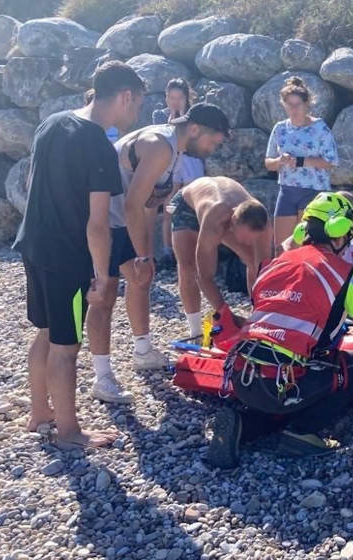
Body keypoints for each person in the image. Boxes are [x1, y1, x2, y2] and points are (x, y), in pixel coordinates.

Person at [12, 61, 145, 448]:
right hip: (68, 257)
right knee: (67, 347)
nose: (136, 113)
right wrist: (102, 275)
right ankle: (69, 432)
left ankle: (40, 413)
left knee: (46, 330)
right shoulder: (98, 144)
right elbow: (98, 223)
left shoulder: (52, 123)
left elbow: (34, 184)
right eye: (136, 104)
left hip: (33, 243)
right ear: (125, 96)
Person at [207, 192, 353, 467]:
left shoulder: (273, 264)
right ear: (340, 232)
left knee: (277, 404)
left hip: (242, 376)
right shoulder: (345, 273)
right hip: (285, 380)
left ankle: (242, 423)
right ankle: (303, 432)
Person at [85, 103, 230, 403]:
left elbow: (150, 204)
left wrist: (145, 256)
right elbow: (132, 204)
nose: (212, 149)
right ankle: (102, 377)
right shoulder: (159, 145)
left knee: (141, 281)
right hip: (103, 221)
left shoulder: (175, 151)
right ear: (194, 129)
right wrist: (142, 255)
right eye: (212, 141)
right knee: (105, 294)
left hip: (124, 221)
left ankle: (143, 350)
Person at [168, 176, 271, 338]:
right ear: (234, 222)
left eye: (253, 238)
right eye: (245, 237)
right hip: (187, 206)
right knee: (188, 267)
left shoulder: (263, 223)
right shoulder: (215, 221)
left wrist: (261, 316)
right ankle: (195, 330)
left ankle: (256, 315)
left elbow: (263, 271)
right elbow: (204, 277)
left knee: (254, 262)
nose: (248, 242)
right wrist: (226, 313)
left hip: (227, 208)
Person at [264, 77, 338, 256]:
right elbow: (268, 163)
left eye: (297, 104)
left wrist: (301, 161)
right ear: (284, 105)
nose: (294, 109)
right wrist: (280, 161)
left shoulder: (320, 128)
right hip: (287, 191)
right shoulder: (280, 128)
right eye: (289, 105)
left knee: (307, 249)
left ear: (307, 104)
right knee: (281, 249)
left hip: (314, 192)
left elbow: (331, 161)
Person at [152, 78, 204, 270]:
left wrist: (183, 114)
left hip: (190, 159)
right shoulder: (159, 115)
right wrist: (173, 116)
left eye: (179, 97)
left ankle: (196, 250)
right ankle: (168, 250)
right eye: (171, 97)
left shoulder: (194, 114)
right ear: (166, 97)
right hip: (171, 161)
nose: (174, 101)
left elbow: (193, 137)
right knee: (169, 205)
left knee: (193, 202)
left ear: (186, 97)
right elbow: (163, 134)